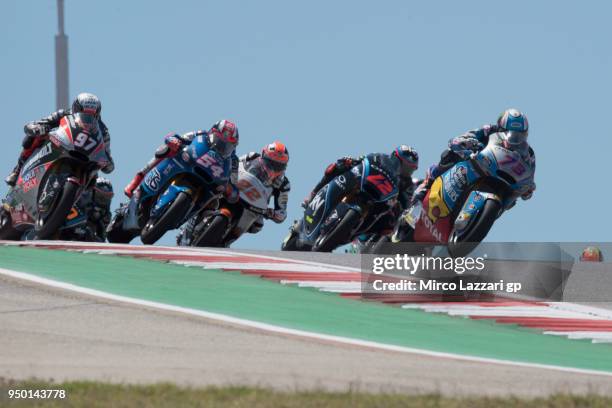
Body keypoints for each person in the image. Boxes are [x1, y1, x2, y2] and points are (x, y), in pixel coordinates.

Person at [122, 119, 240, 231]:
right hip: (187, 164)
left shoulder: (233, 161)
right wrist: (174, 141)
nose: (221, 147)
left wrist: (230, 190)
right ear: (212, 133)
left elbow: (234, 186)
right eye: (218, 141)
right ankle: (138, 180)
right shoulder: (201, 135)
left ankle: (193, 230)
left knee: (215, 201)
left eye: (227, 146)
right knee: (166, 150)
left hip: (208, 182)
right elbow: (174, 136)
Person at [412, 108, 535, 203]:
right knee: (450, 154)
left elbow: (529, 178)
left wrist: (528, 188)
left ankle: (481, 219)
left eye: (519, 135)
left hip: (503, 181)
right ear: (500, 128)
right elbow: (465, 137)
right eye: (509, 133)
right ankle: (426, 186)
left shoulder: (529, 154)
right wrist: (465, 142)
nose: (514, 139)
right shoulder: (489, 129)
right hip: (480, 163)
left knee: (512, 200)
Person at [305, 145, 419, 236]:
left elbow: (406, 202)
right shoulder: (379, 157)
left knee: (388, 224)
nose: (404, 170)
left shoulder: (407, 183)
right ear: (394, 157)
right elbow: (363, 160)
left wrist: (403, 209)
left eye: (409, 169)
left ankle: (355, 237)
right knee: (337, 167)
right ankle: (314, 193)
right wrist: (351, 161)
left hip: (379, 200)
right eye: (403, 165)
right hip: (363, 182)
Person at [5, 93, 114, 186]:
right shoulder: (64, 114)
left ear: (97, 114)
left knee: (93, 181)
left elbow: (106, 154)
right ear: (76, 108)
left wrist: (107, 162)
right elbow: (41, 122)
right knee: (32, 137)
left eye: (91, 115)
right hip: (62, 145)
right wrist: (37, 128)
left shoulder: (103, 131)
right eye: (84, 113)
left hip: (86, 160)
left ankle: (72, 202)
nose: (87, 118)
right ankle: (17, 170)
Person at [240, 141, 291, 234]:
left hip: (254, 206)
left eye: (278, 166)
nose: (273, 168)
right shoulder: (251, 156)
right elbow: (233, 163)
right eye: (271, 163)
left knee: (257, 225)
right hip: (235, 190)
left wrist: (270, 213)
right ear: (263, 156)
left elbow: (282, 213)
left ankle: (229, 237)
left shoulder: (283, 184)